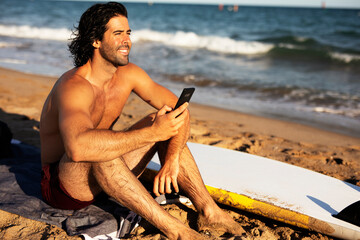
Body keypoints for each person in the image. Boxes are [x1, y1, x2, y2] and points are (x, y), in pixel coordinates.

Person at [40, 2, 245, 239]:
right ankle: (175, 229)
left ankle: (209, 210)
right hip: (63, 186)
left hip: (107, 176)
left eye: (128, 33)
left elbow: (181, 110)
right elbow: (77, 148)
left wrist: (172, 159)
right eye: (117, 33)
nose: (127, 40)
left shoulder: (129, 74)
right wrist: (153, 134)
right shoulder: (74, 87)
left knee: (163, 118)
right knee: (103, 148)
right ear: (95, 40)